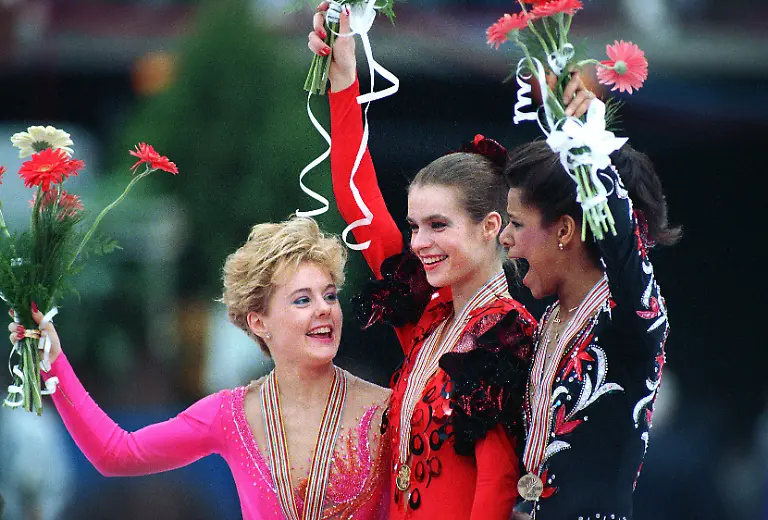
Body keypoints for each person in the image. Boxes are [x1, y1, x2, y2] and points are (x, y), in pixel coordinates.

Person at [306, 5, 592, 519]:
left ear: (490, 227)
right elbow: (359, 203)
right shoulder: (427, 318)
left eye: (438, 226)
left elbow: (498, 485)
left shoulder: (507, 336)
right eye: (415, 226)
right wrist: (344, 77)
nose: (418, 242)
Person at [10, 217, 391, 520]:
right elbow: (116, 454)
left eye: (329, 295)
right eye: (302, 300)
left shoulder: (387, 408)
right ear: (259, 322)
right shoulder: (230, 414)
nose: (324, 308)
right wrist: (51, 360)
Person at [499, 141, 681, 519]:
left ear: (565, 230)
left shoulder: (629, 322)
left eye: (516, 224)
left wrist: (585, 142)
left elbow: (623, 248)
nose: (505, 237)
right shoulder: (549, 320)